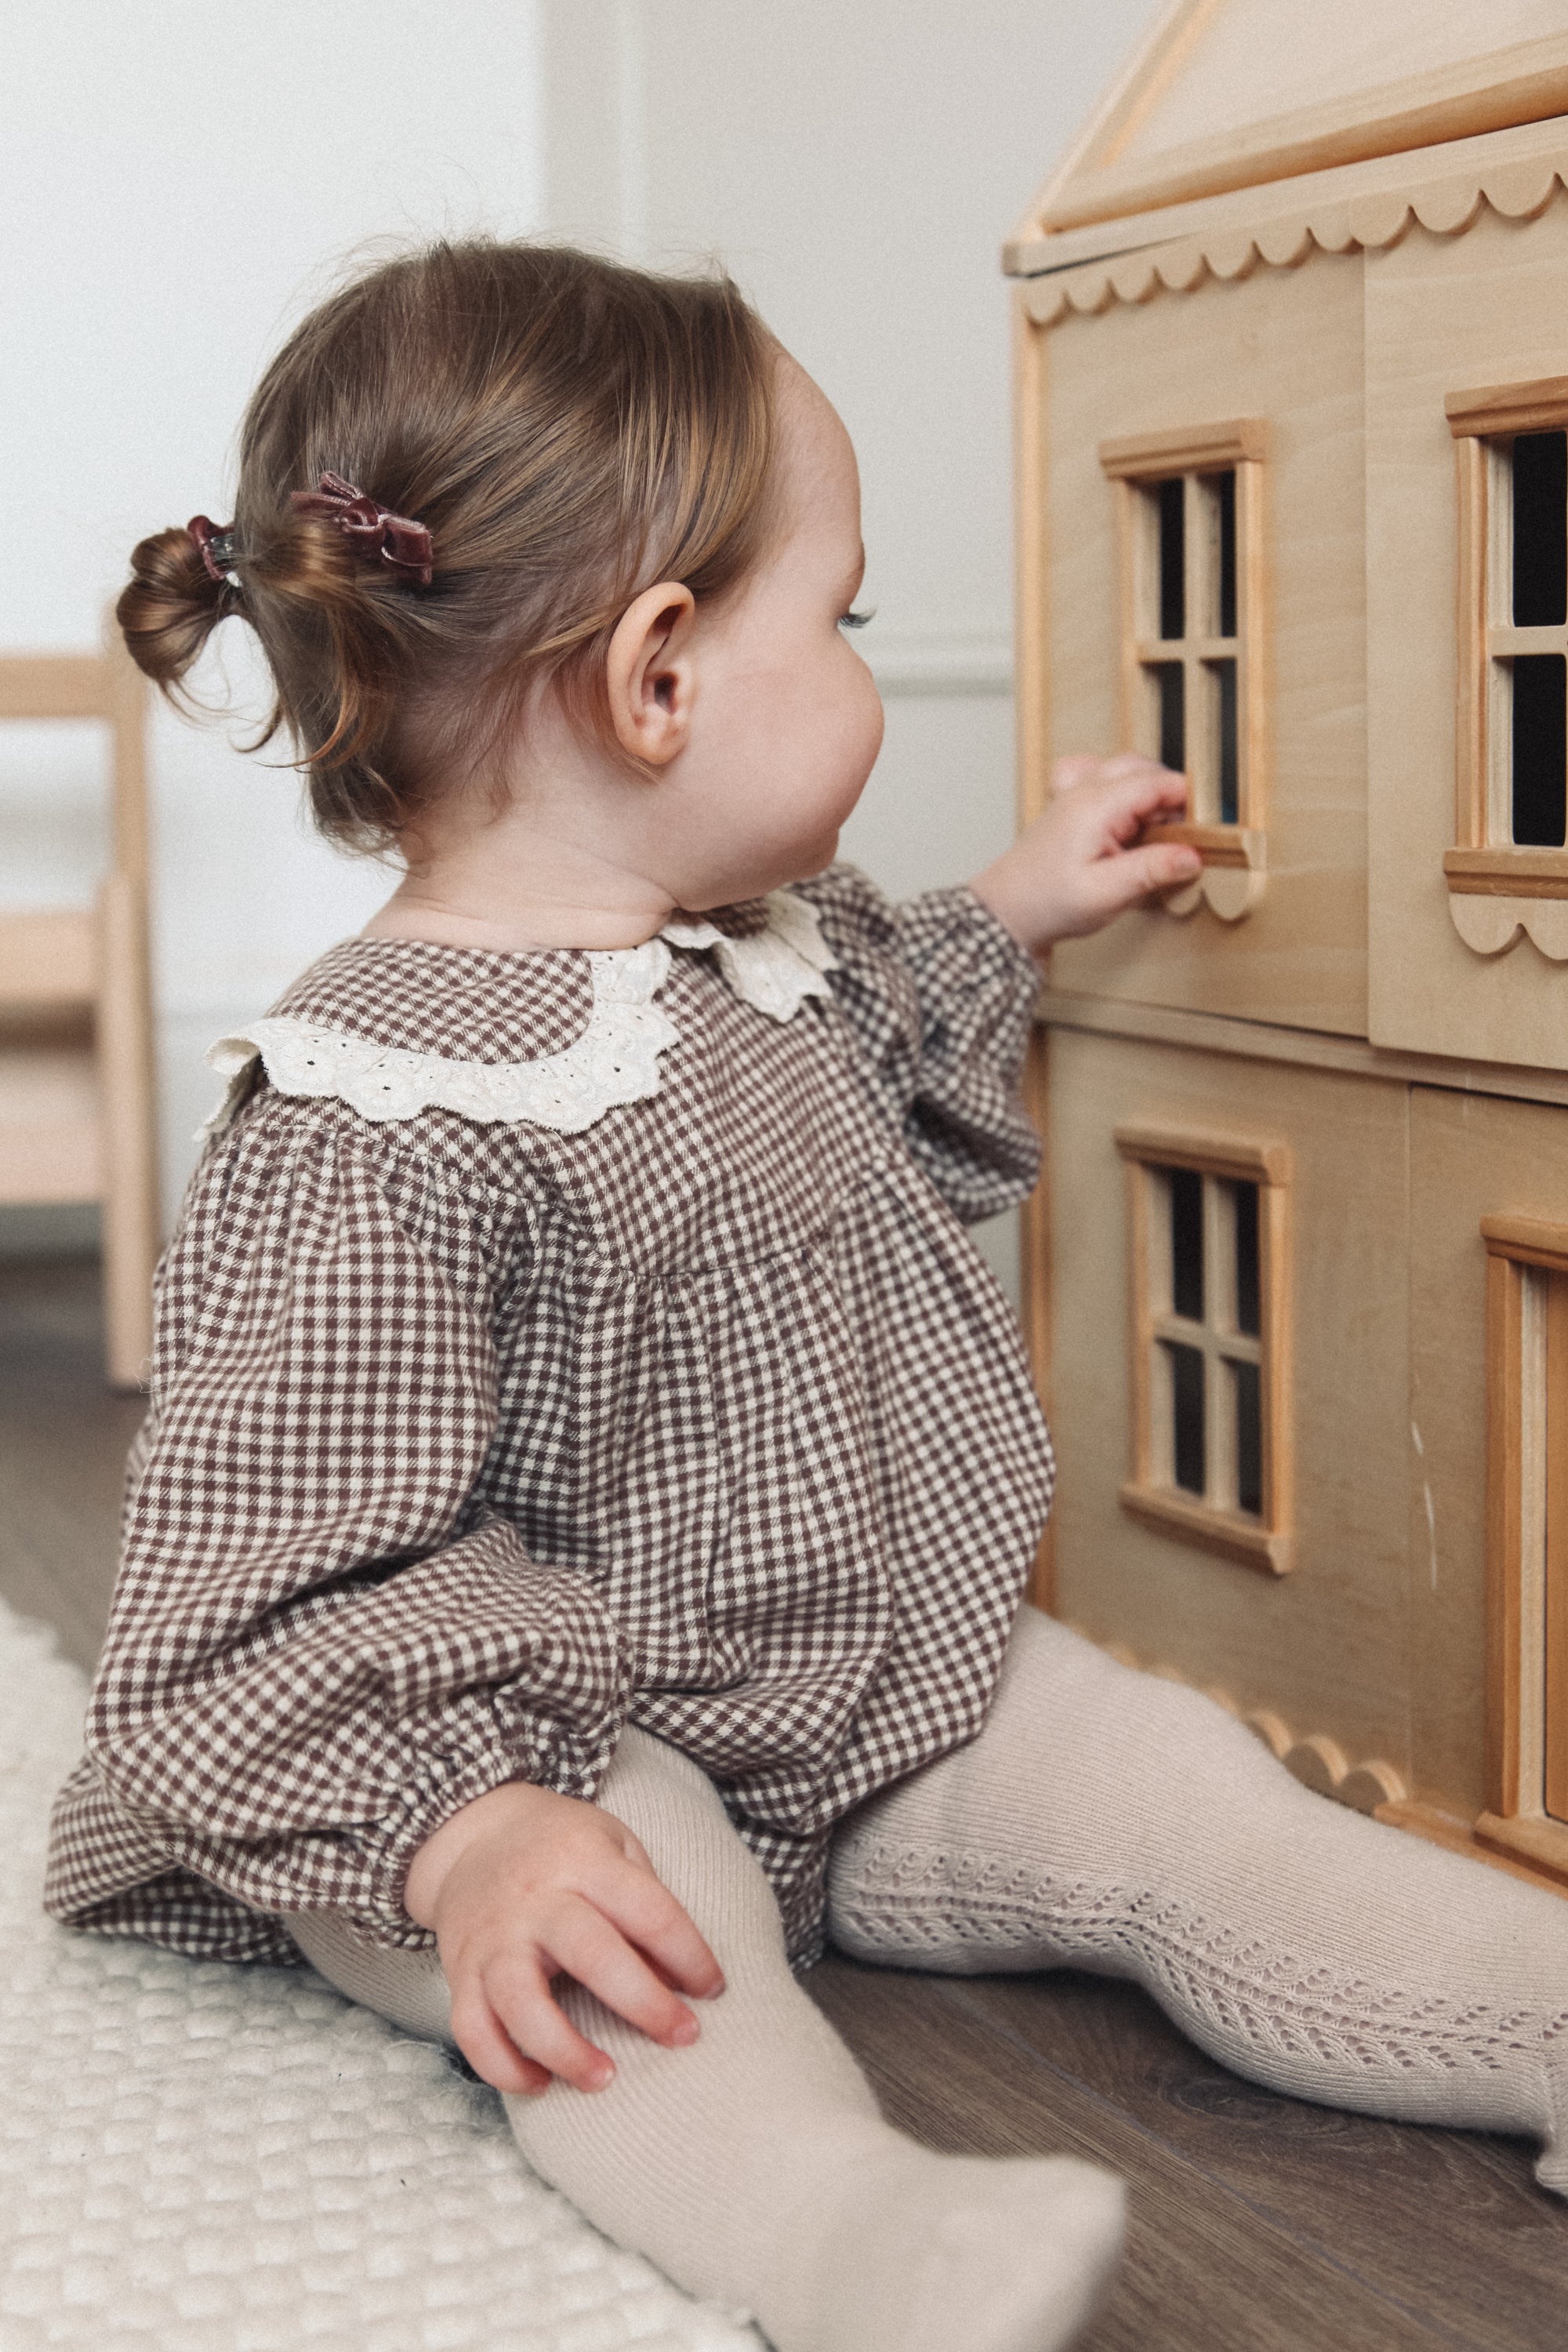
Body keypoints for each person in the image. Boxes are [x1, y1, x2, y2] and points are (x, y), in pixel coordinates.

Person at [45, 241, 1568, 2352]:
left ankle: (1542, 2017)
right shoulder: (377, 1123)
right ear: (660, 672)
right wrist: (465, 1844)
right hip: (524, 1749)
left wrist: (1032, 896)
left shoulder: (760, 945)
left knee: (1184, 1797)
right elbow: (242, 1614)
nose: (862, 651)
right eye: (842, 617)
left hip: (870, 1681)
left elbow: (898, 992)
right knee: (635, 1953)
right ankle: (848, 2243)